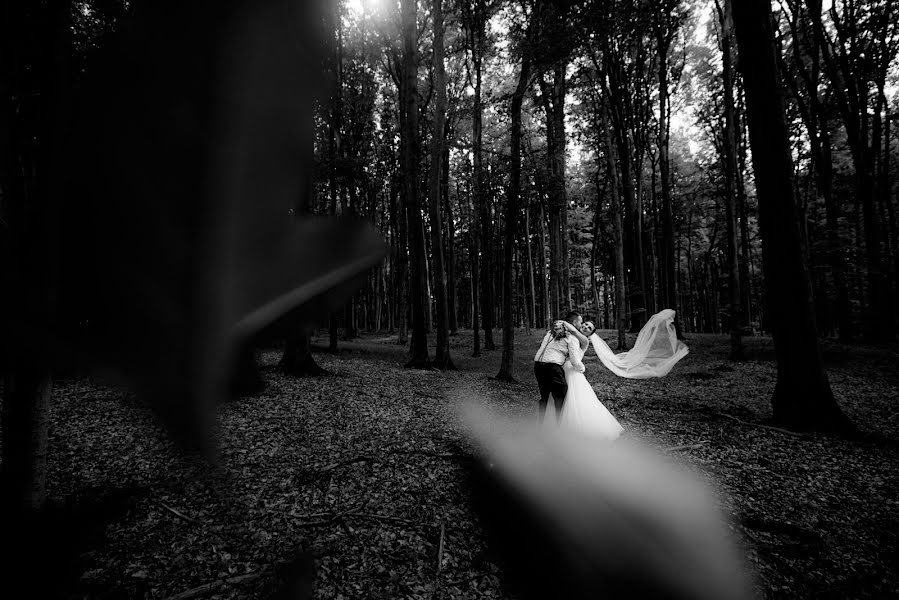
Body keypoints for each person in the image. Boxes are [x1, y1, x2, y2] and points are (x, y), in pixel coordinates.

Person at [548, 319, 625, 440]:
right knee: (558, 397)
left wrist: (561, 321)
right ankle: (554, 427)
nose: (585, 327)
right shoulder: (570, 336)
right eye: (585, 324)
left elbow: (573, 333)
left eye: (589, 328)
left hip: (572, 372)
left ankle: (577, 432)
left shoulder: (584, 341)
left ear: (589, 335)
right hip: (560, 369)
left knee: (574, 401)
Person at [533, 311, 588, 423]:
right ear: (574, 322)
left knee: (544, 396)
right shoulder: (571, 336)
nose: (581, 325)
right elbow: (574, 361)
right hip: (552, 367)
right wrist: (582, 368)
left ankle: (540, 425)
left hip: (538, 364)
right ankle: (558, 425)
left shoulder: (551, 331)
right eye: (580, 322)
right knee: (561, 395)